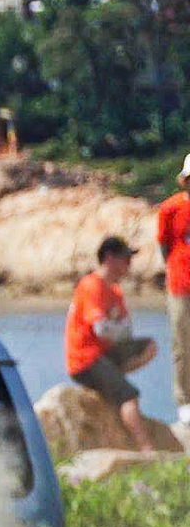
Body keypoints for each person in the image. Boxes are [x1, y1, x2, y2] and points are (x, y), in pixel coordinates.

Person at [67, 235, 158, 452]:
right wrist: (114, 329)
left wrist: (113, 329)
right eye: (125, 258)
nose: (129, 264)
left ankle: (113, 380)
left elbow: (125, 330)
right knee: (129, 395)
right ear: (109, 258)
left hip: (105, 352)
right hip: (85, 359)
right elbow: (101, 330)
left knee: (149, 346)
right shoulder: (90, 285)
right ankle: (146, 448)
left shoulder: (115, 290)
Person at [155, 154, 190, 423]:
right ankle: (184, 399)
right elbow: (164, 245)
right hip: (180, 284)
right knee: (181, 343)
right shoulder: (170, 209)